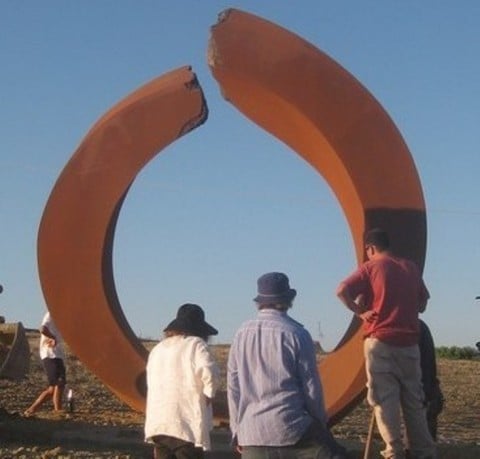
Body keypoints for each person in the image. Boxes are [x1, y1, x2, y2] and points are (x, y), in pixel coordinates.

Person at [336, 228, 437, 459]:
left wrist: (359, 311)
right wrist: (407, 307)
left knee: (385, 400)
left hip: (381, 341)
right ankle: (424, 451)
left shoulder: (371, 267)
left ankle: (394, 451)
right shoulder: (409, 267)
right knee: (413, 400)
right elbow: (423, 302)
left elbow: (342, 290)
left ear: (370, 248)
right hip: (410, 344)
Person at [228, 272, 347, 459]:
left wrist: (237, 431)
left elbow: (234, 387)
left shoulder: (241, 334)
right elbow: (311, 387)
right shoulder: (297, 333)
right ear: (288, 300)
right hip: (292, 429)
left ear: (259, 301)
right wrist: (320, 424)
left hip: (251, 434)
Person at [144, 303, 220, 459]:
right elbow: (210, 374)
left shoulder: (158, 349)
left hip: (159, 423)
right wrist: (208, 397)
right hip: (186, 424)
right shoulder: (197, 345)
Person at [24, 311, 66, 416]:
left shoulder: (62, 317)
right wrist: (53, 337)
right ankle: (58, 412)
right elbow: (42, 329)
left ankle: (31, 410)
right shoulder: (51, 313)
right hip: (51, 353)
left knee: (52, 389)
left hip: (56, 354)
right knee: (59, 382)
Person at [418, 320, 443, 441]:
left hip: (424, 395)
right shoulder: (420, 327)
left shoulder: (416, 327)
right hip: (426, 394)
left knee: (420, 443)